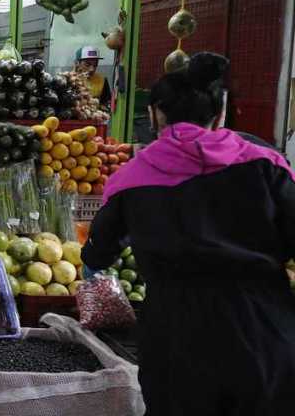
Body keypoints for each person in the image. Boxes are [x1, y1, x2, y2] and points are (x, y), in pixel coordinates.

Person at [81, 52, 295, 415]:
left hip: (176, 334)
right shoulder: (266, 163)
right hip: (264, 326)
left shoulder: (132, 178)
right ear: (220, 115)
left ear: (153, 116)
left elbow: (97, 255)